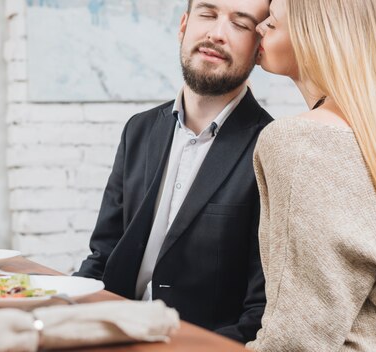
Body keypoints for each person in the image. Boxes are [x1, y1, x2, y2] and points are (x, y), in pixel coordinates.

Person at [246, 0, 376, 350]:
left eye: (272, 24)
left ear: (314, 38)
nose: (258, 28)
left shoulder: (298, 141)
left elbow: (298, 334)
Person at [74, 0, 272, 343]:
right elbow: (103, 256)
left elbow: (260, 312)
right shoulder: (138, 129)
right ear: (183, 25)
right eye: (207, 15)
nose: (216, 34)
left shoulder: (271, 148)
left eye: (240, 25)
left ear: (259, 49)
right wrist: (65, 310)